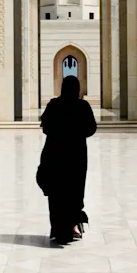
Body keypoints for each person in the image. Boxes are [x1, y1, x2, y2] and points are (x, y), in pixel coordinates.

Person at [36, 75, 97, 244]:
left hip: (55, 154)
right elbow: (91, 129)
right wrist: (75, 132)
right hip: (76, 156)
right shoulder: (82, 106)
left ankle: (57, 228)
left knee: (57, 192)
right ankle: (73, 227)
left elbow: (45, 128)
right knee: (74, 191)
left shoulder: (53, 105)